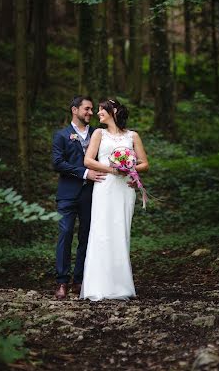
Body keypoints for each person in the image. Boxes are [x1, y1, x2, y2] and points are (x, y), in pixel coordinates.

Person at [80, 98, 149, 301]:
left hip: (125, 189)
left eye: (102, 109)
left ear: (114, 111)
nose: (98, 112)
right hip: (105, 188)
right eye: (98, 109)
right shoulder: (98, 134)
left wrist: (128, 168)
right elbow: (88, 160)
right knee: (101, 232)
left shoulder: (132, 136)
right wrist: (113, 169)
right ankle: (97, 286)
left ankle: (121, 287)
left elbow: (144, 163)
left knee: (120, 232)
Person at [52, 96, 107, 300]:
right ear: (74, 110)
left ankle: (79, 280)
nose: (90, 113)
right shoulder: (61, 136)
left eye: (92, 109)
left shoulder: (98, 134)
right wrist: (84, 173)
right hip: (67, 194)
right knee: (65, 233)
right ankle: (61, 281)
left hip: (92, 194)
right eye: (87, 109)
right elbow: (58, 163)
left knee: (86, 236)